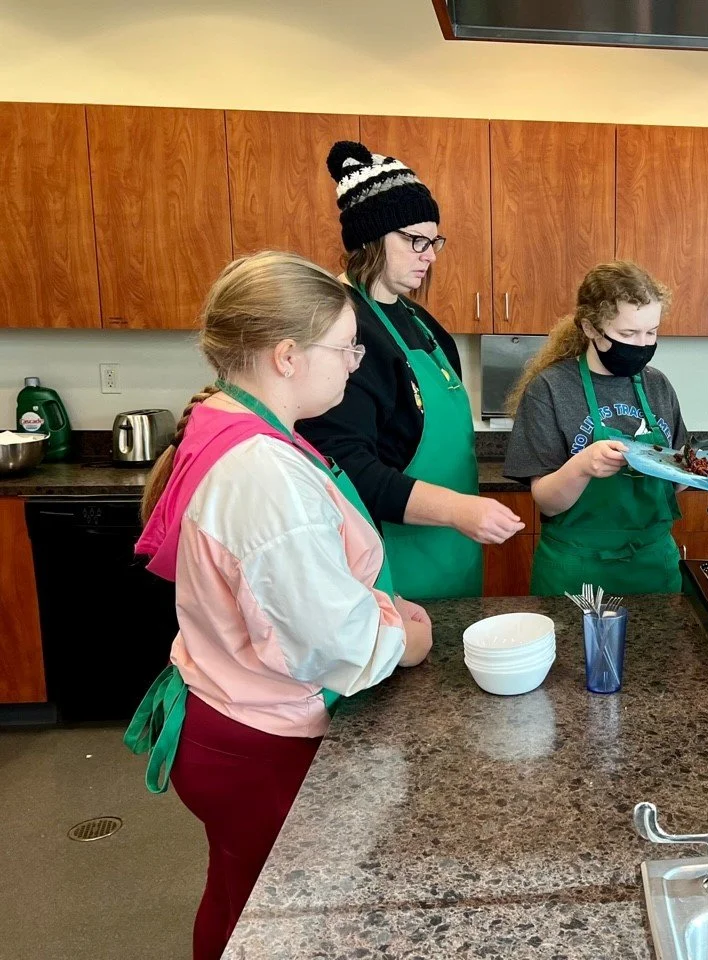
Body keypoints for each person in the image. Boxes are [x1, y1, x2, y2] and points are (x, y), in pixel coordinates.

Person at [124, 252, 432, 960]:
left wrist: (371, 604)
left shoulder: (230, 422)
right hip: (261, 741)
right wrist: (403, 637)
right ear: (288, 356)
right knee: (289, 926)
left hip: (220, 714)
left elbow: (287, 591)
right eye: (346, 346)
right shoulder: (264, 476)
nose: (355, 363)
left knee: (238, 896)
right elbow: (330, 643)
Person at [299, 141, 523, 600]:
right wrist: (456, 509)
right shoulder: (342, 332)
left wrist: (460, 514)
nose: (430, 255)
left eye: (434, 241)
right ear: (369, 239)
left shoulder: (420, 322)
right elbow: (345, 469)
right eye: (414, 240)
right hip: (391, 565)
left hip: (452, 553)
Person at [504, 261, 688, 596]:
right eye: (627, 334)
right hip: (577, 572)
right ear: (591, 328)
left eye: (651, 332)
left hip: (654, 568)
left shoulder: (658, 385)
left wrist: (697, 471)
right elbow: (547, 502)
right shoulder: (551, 389)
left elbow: (675, 483)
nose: (642, 344)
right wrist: (583, 466)